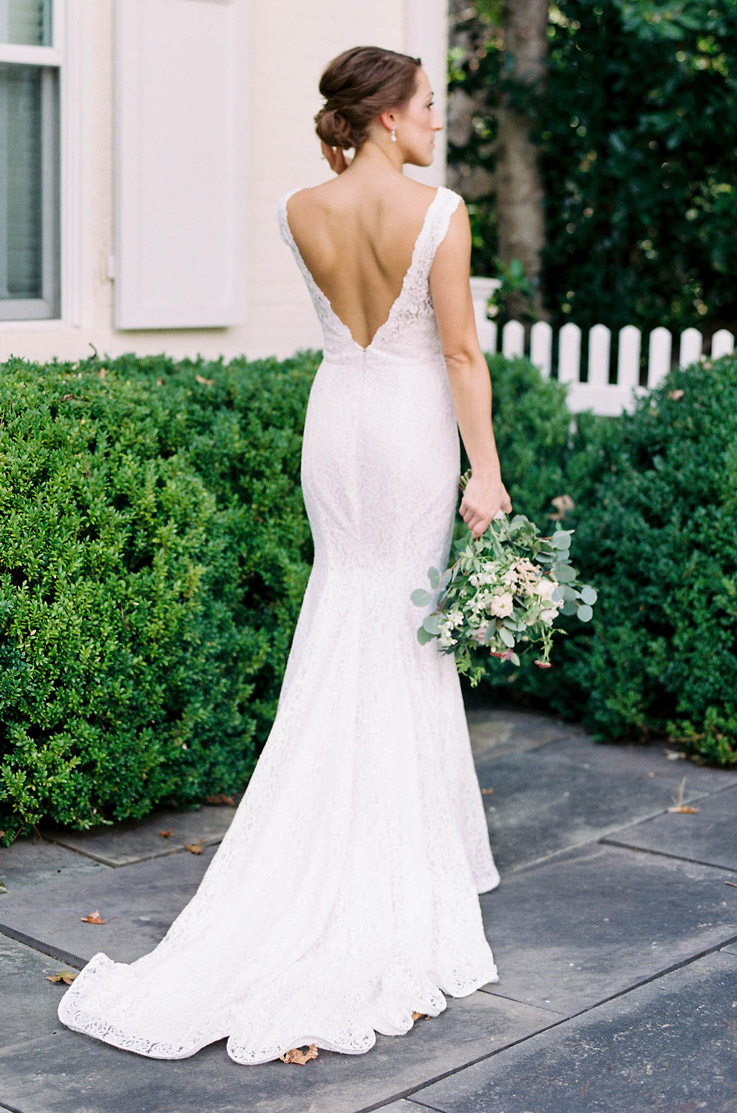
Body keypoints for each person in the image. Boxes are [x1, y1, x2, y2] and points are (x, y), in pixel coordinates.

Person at [57, 44, 512, 1066]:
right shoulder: (438, 213)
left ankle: (330, 837)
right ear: (387, 116)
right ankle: (388, 866)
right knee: (401, 621)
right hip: (407, 428)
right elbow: (457, 352)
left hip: (337, 422)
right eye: (427, 106)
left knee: (347, 604)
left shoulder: (297, 209)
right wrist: (483, 470)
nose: (436, 121)